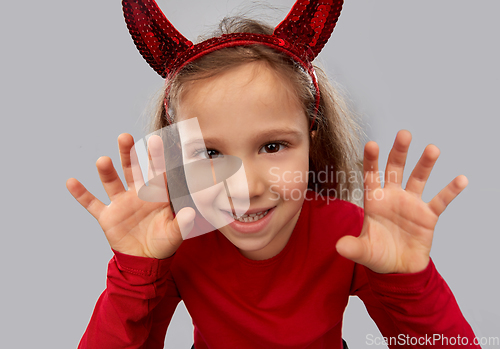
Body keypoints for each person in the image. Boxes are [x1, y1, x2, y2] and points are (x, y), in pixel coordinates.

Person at [66, 1, 481, 348]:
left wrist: (409, 283)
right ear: (177, 157)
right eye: (209, 152)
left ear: (311, 137)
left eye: (272, 146)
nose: (245, 187)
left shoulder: (351, 233)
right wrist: (134, 275)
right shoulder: (177, 242)